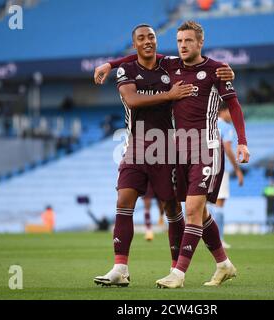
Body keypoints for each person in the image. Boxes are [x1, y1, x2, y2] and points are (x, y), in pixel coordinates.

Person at [94, 22, 247, 289]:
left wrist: (242, 141)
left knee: (182, 209)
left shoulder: (193, 67)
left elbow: (230, 98)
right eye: (179, 41)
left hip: (186, 147)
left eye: (152, 37)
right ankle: (123, 267)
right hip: (155, 146)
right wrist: (110, 63)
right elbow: (137, 72)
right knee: (138, 201)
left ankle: (182, 270)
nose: (147, 41)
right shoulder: (150, 68)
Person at [211, 103, 244, 249]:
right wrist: (237, 170)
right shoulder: (226, 127)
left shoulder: (209, 123)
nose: (233, 116)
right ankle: (219, 240)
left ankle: (202, 236)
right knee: (219, 202)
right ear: (223, 111)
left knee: (204, 203)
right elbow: (228, 148)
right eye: (231, 112)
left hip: (203, 166)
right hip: (218, 166)